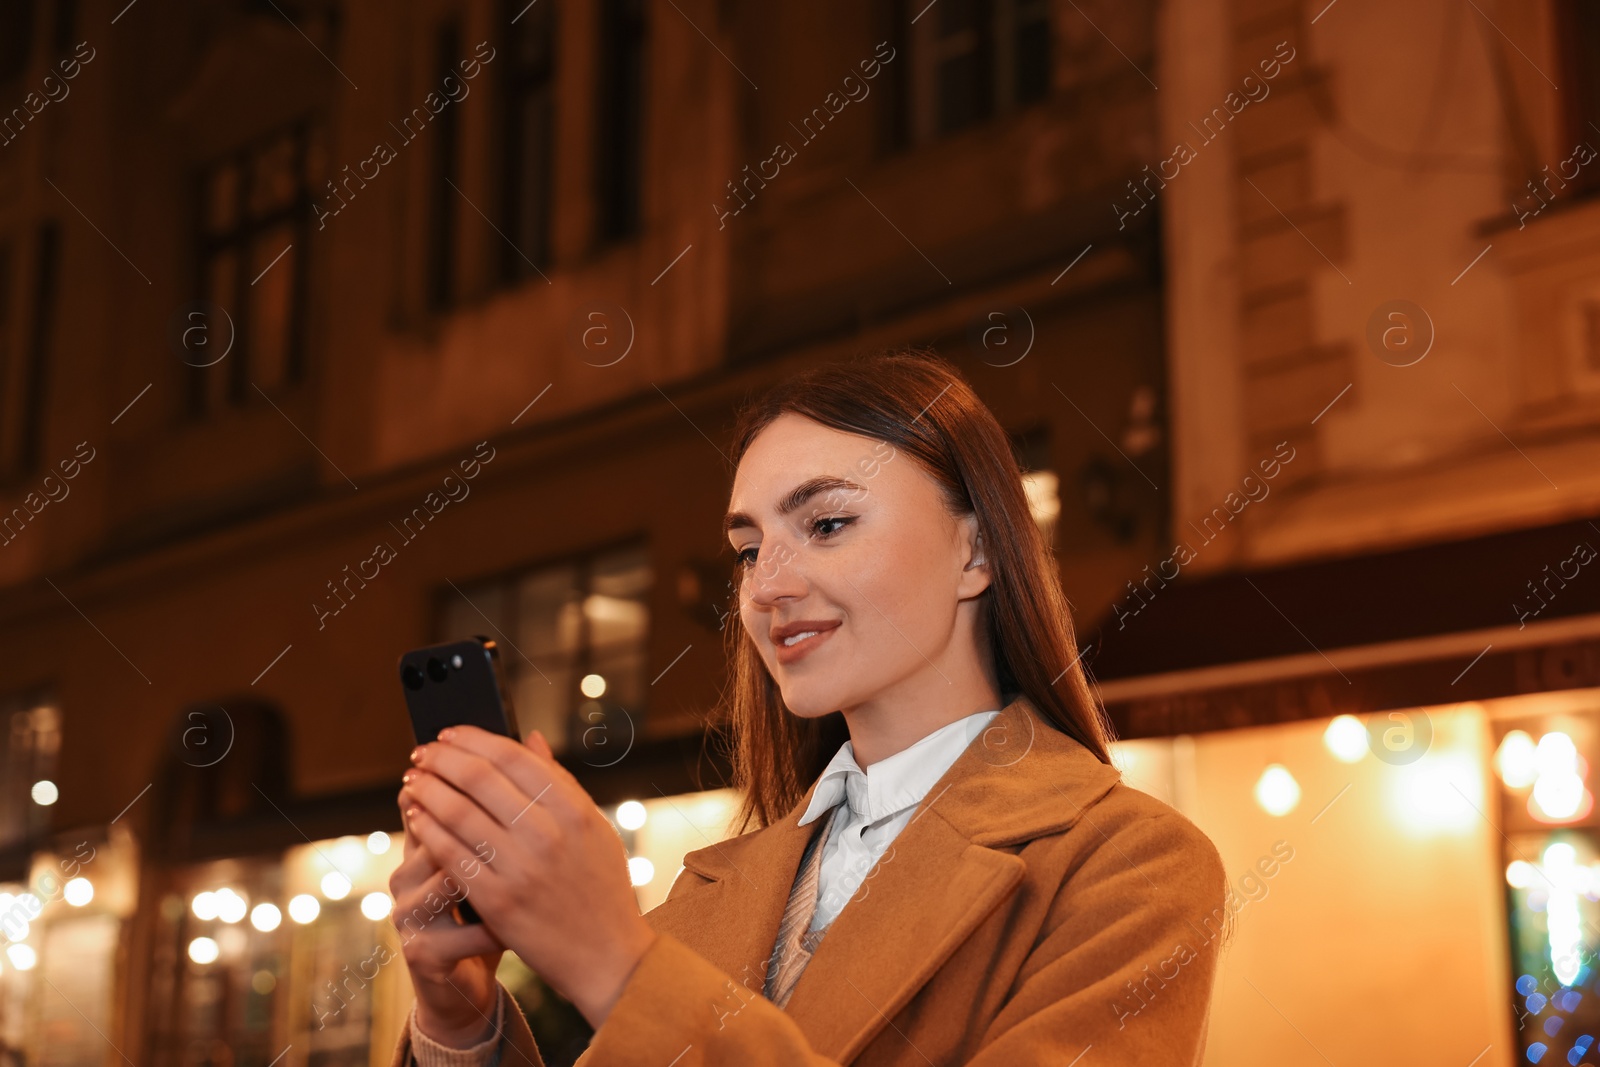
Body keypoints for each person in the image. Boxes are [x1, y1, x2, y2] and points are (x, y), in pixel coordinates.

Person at [388, 348, 1230, 1066]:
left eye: (826, 524)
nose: (768, 586)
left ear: (974, 550)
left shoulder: (1130, 867)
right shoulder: (707, 896)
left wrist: (616, 963)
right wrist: (461, 1025)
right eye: (749, 550)